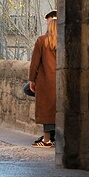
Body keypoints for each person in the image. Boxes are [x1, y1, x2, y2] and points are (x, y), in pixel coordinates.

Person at [28, 10, 57, 147]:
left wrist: (32, 79)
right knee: (56, 107)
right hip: (60, 80)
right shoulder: (63, 40)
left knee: (46, 108)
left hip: (46, 80)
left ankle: (47, 140)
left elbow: (35, 62)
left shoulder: (42, 40)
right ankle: (55, 137)